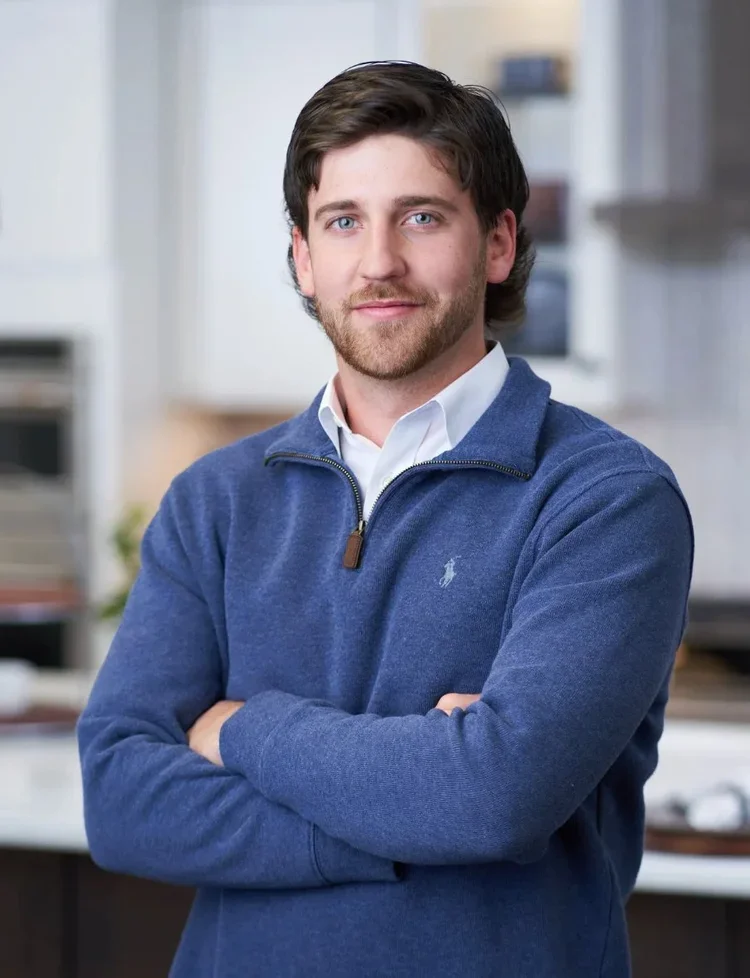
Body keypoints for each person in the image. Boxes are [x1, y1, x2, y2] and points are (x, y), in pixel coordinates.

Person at [77, 61, 694, 978]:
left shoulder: (606, 498)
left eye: (422, 217)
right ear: (302, 256)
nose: (378, 264)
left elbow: (494, 796)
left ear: (497, 243)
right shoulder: (215, 499)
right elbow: (121, 800)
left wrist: (241, 731)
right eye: (343, 222)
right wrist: (408, 808)